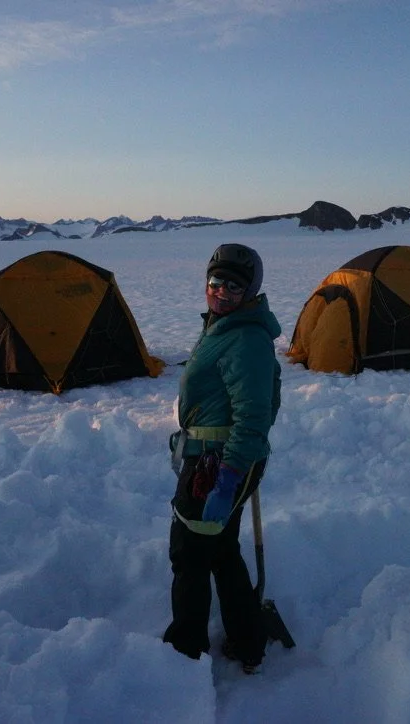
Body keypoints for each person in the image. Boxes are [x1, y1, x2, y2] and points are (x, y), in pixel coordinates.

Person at [163, 243, 282, 673]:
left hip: (220, 465)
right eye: (216, 282)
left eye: (234, 286)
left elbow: (254, 418)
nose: (222, 292)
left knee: (190, 555)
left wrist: (228, 477)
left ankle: (185, 651)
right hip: (212, 456)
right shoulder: (224, 327)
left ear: (250, 291)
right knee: (220, 551)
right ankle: (247, 639)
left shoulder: (245, 338)